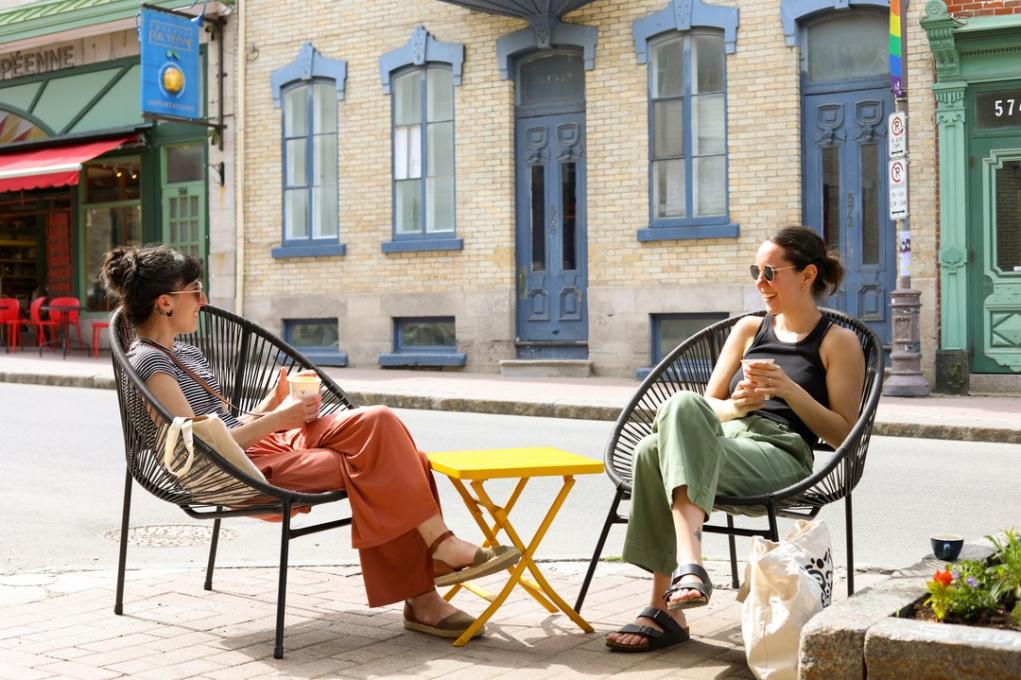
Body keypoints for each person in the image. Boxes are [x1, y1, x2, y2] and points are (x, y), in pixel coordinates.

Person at [101, 244, 520, 640]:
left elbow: (224, 424)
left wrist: (271, 406)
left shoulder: (186, 354)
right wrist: (279, 419)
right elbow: (200, 447)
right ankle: (427, 588)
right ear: (165, 302)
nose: (204, 301)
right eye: (196, 291)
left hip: (267, 445)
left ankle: (436, 562)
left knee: (379, 421)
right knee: (400, 462)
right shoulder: (149, 363)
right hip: (242, 471)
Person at [605, 226, 865, 652]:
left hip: (781, 452)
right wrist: (738, 407)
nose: (759, 284)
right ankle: (687, 572)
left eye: (769, 272)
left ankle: (665, 603)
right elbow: (707, 409)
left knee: (656, 450)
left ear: (806, 275)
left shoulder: (838, 342)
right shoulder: (748, 330)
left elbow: (843, 435)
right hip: (725, 438)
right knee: (663, 433)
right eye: (755, 272)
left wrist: (788, 389)